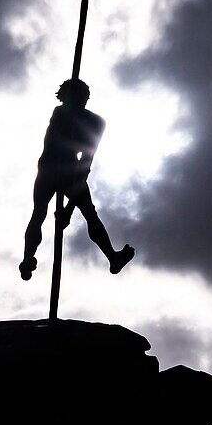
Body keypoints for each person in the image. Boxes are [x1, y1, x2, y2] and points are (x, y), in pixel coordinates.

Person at [19, 79, 135, 280]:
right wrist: (67, 211)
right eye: (77, 96)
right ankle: (27, 259)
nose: (83, 99)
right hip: (52, 170)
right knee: (39, 213)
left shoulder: (95, 122)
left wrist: (68, 210)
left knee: (85, 214)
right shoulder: (60, 113)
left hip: (68, 173)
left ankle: (113, 258)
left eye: (84, 96)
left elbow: (86, 164)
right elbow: (61, 143)